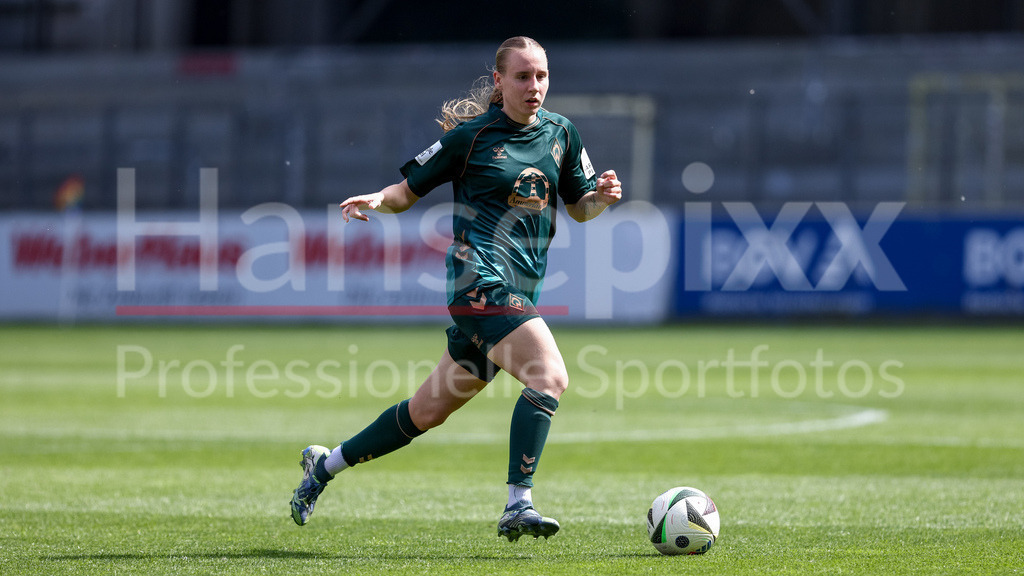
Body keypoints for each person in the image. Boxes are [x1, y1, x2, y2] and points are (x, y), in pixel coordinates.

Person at [289, 36, 622, 542]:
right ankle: (519, 502)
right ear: (498, 81)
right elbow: (407, 191)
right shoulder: (470, 137)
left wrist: (600, 197)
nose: (535, 86)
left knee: (426, 412)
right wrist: (378, 199)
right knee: (549, 377)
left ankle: (324, 466)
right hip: (477, 282)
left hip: (517, 293)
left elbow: (578, 207)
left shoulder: (563, 134)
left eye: (542, 76)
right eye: (522, 76)